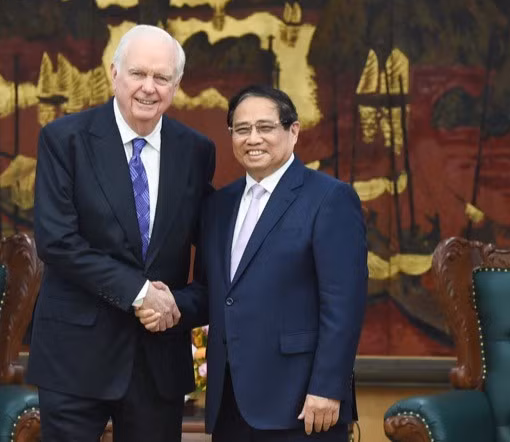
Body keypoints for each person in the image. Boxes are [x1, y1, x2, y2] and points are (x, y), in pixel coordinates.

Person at [139, 84, 367, 440]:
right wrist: (167, 302)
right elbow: (211, 293)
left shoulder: (330, 199)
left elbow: (344, 305)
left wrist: (327, 387)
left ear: (293, 131)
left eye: (265, 127)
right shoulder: (219, 205)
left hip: (302, 403)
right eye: (242, 129)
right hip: (229, 403)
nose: (253, 138)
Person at [27, 24, 215, 442]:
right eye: (138, 74)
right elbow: (58, 241)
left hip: (157, 360)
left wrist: (175, 305)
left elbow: (210, 252)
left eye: (162, 78)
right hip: (74, 356)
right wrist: (140, 292)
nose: (149, 88)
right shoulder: (65, 140)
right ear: (114, 73)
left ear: (176, 85)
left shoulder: (196, 151)